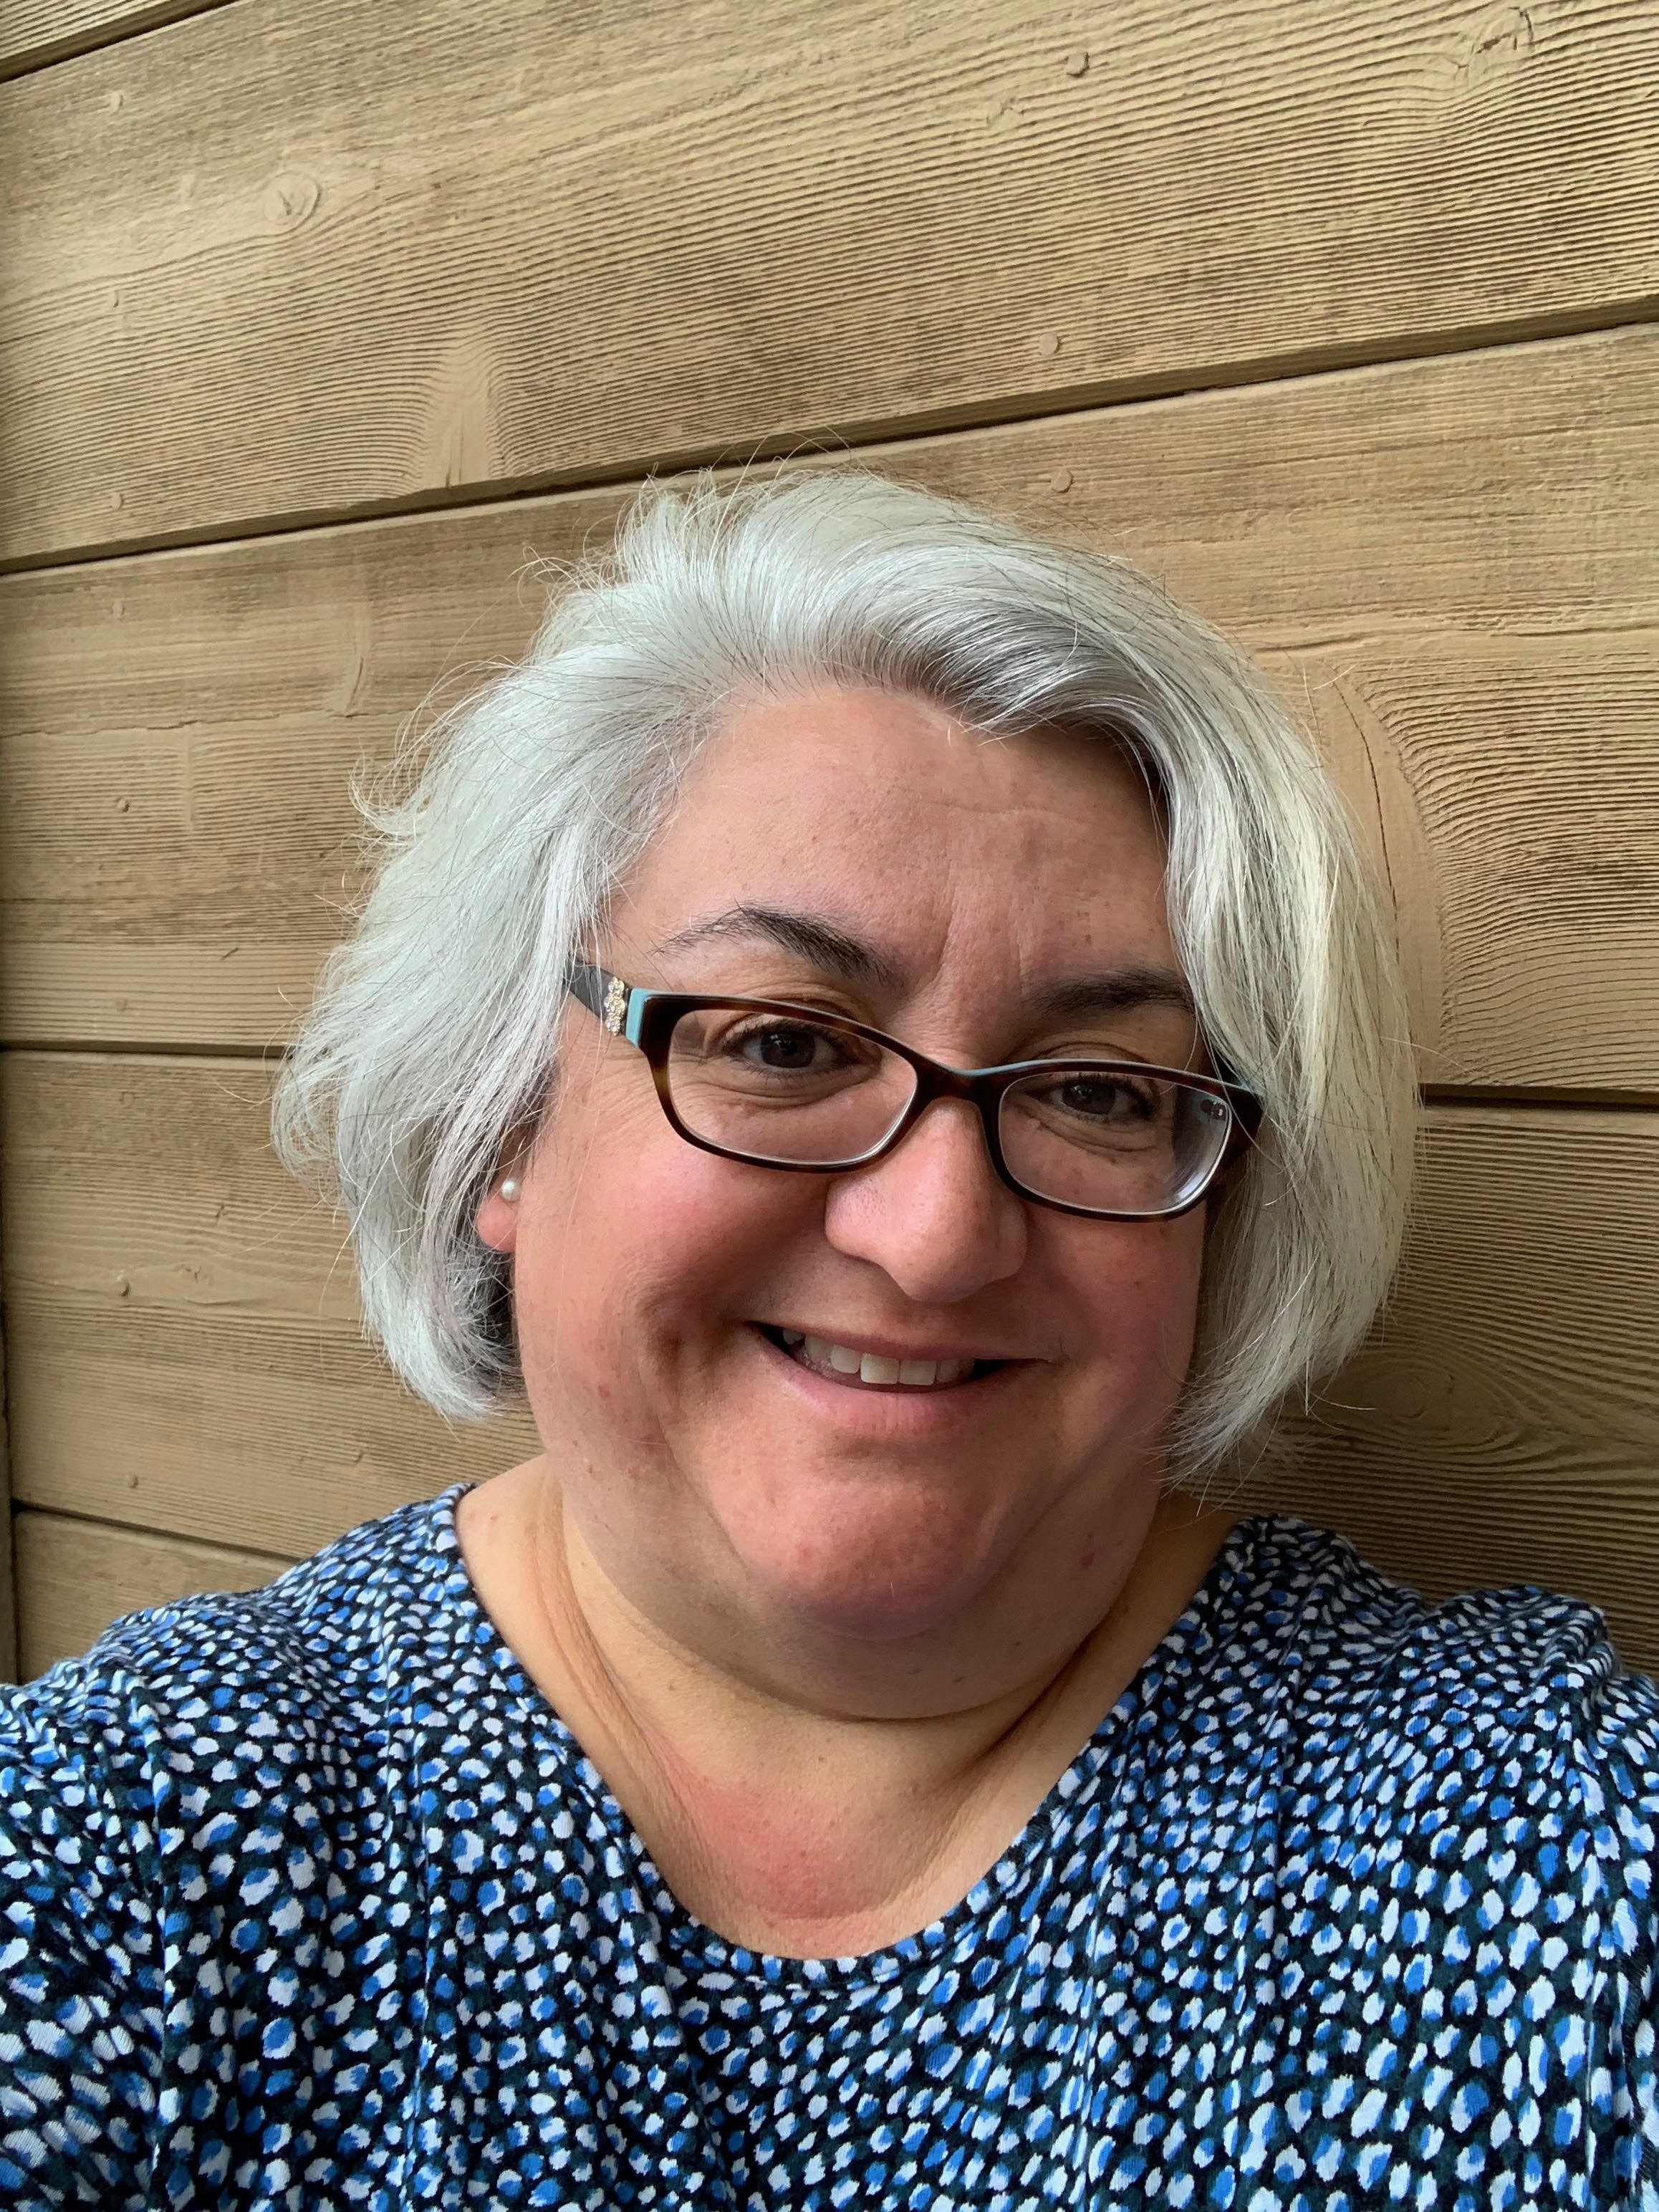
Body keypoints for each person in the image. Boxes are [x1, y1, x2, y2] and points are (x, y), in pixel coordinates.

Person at [1, 470, 1654, 2211]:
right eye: (782, 1044)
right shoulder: (146, 1847)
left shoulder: (1509, 1845)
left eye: (1099, 1090)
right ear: (503, 1121)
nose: (935, 1235)